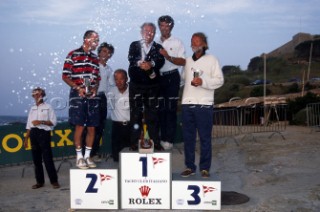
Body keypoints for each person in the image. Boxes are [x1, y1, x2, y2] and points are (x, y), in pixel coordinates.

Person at [180, 32, 224, 178]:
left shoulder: (212, 59)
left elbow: (219, 80)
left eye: (198, 41)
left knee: (205, 138)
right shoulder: (187, 61)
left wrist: (203, 82)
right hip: (187, 105)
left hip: (204, 105)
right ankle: (190, 167)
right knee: (188, 138)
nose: (194, 44)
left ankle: (204, 168)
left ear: (204, 44)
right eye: (192, 41)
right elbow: (183, 79)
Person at [62, 30, 100, 169]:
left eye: (98, 40)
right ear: (86, 40)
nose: (97, 42)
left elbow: (97, 79)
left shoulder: (95, 59)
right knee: (80, 126)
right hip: (77, 95)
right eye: (95, 39)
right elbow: (65, 76)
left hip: (92, 97)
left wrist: (95, 89)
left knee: (92, 127)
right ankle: (79, 157)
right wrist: (78, 88)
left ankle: (87, 156)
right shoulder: (72, 54)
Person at [128, 22, 165, 151]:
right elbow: (132, 58)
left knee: (152, 115)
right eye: (146, 31)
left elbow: (161, 60)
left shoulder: (158, 47)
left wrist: (151, 64)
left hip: (152, 87)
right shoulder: (134, 45)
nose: (149, 34)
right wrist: (141, 64)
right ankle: (133, 142)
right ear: (141, 32)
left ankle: (156, 142)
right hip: (136, 86)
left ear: (154, 34)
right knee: (135, 115)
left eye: (151, 32)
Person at [157, 15, 186, 150]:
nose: (165, 28)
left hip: (172, 77)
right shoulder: (155, 42)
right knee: (160, 109)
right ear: (159, 27)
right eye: (162, 25)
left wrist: (168, 56)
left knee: (171, 109)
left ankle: (169, 140)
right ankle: (161, 138)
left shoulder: (177, 42)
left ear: (171, 26)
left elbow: (183, 61)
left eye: (167, 25)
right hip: (158, 78)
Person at [24, 87, 60, 189]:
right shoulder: (32, 108)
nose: (36, 96)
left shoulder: (48, 107)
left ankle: (54, 181)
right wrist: (26, 138)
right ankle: (39, 182)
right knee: (36, 160)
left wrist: (41, 122)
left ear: (42, 95)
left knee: (48, 158)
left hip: (44, 133)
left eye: (38, 94)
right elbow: (29, 125)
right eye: (34, 95)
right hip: (33, 134)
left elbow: (53, 122)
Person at [88, 42, 115, 162]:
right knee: (90, 127)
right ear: (99, 52)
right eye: (104, 51)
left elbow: (111, 87)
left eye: (108, 52)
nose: (106, 54)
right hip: (91, 98)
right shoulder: (92, 65)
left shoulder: (109, 69)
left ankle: (93, 154)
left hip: (102, 98)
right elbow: (87, 81)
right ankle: (86, 155)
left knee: (100, 127)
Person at [107, 69, 130, 162]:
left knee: (130, 156)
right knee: (116, 157)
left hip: (130, 126)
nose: (119, 82)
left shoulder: (133, 90)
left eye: (121, 79)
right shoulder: (111, 91)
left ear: (126, 79)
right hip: (117, 127)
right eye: (116, 79)